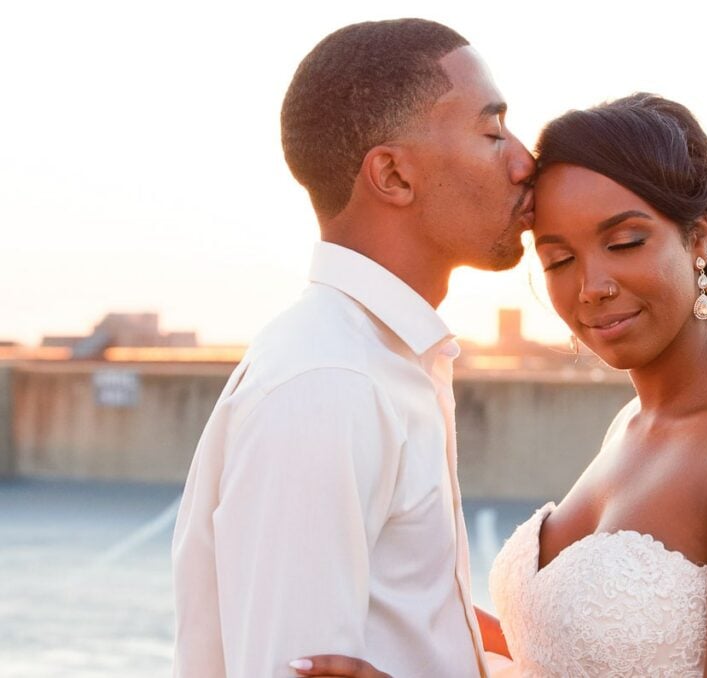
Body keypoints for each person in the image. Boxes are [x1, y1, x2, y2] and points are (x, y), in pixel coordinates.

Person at [294, 94, 707, 677]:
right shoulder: (633, 424)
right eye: (559, 259)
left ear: (697, 237)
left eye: (624, 243)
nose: (592, 286)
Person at [171, 19, 534, 678]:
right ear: (393, 175)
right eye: (492, 132)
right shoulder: (332, 381)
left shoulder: (388, 362)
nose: (523, 160)